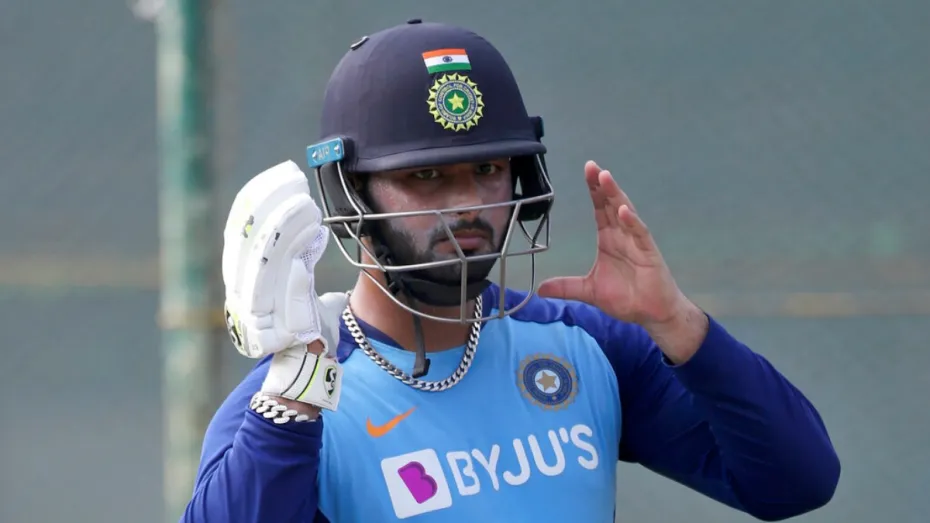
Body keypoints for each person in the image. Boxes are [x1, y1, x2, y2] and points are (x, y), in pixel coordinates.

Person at [184, 20, 840, 522]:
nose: (468, 203)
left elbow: (796, 482)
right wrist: (296, 392)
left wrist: (678, 324)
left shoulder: (585, 345)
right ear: (351, 193)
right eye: (426, 175)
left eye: (488, 169)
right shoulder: (293, 394)